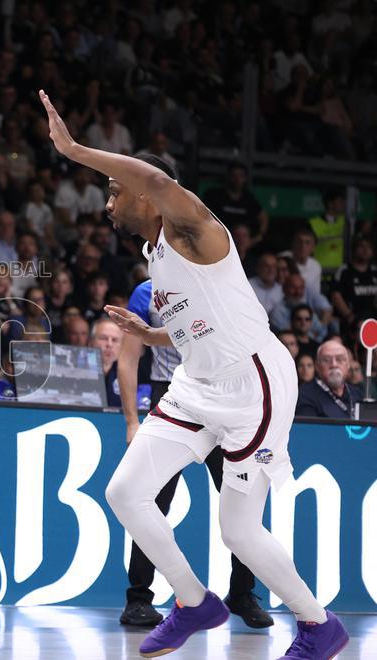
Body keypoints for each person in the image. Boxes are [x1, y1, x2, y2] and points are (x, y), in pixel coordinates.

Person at [35, 90, 348, 658]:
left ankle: (319, 625)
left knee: (239, 532)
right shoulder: (155, 256)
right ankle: (193, 601)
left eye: (113, 192)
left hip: (253, 386)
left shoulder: (197, 231)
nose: (107, 203)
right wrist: (150, 334)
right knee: (125, 492)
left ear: (146, 194)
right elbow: (197, 327)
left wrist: (76, 149)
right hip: (196, 384)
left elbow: (157, 182)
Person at [117, 278, 272, 628]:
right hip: (171, 397)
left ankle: (242, 593)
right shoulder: (146, 292)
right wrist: (131, 421)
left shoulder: (220, 285)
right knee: (151, 500)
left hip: (222, 400)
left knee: (242, 499)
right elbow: (127, 360)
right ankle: (138, 599)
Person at [295, 341, 361, 419]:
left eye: (339, 359)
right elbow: (309, 430)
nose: (334, 364)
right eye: (326, 360)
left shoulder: (356, 393)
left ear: (348, 365)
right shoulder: (305, 395)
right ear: (317, 366)